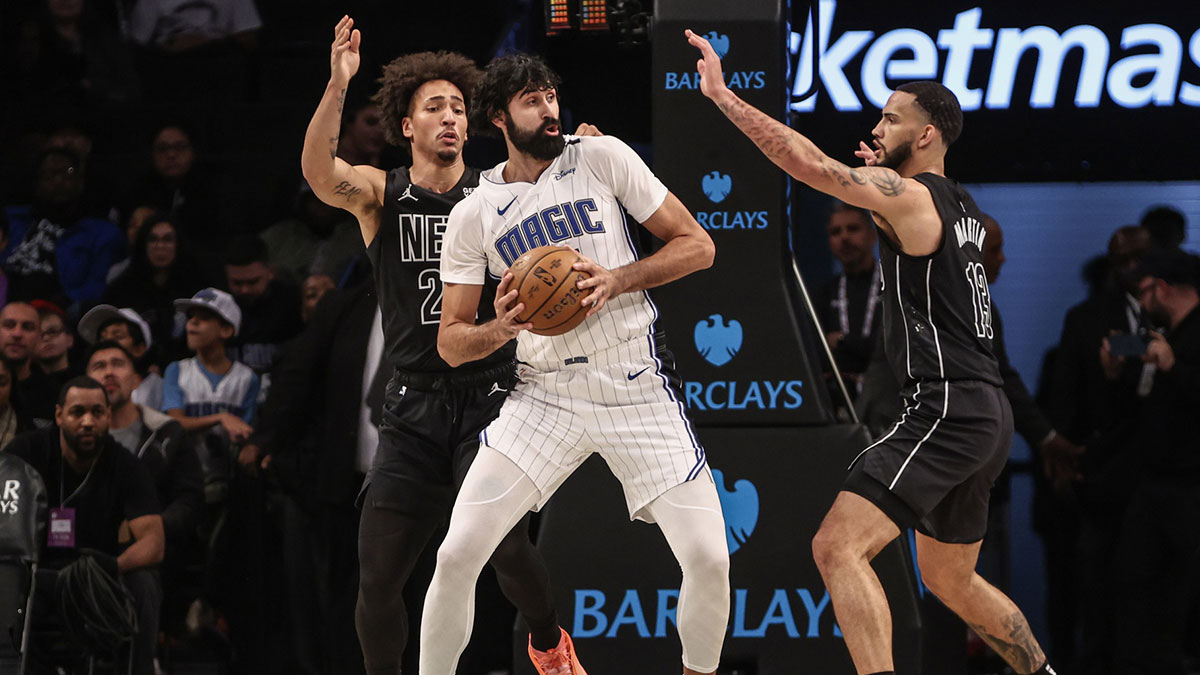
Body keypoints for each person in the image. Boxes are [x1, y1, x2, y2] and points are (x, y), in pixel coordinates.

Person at [686, 31, 1054, 675]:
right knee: (950, 580)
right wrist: (877, 179)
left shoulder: (913, 198)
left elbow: (809, 166)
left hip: (945, 407)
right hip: (985, 412)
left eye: (891, 118)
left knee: (836, 546)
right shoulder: (958, 203)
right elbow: (883, 204)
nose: (877, 126)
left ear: (930, 135)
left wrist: (722, 96)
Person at [300, 20, 590, 675]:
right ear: (406, 125)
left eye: (459, 107)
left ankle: (549, 642)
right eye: (434, 107)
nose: (451, 117)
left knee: (507, 547)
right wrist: (337, 82)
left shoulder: (498, 193)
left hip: (489, 395)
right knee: (377, 576)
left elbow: (570, 172)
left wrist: (585, 149)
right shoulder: (383, 195)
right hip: (411, 406)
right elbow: (320, 173)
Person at [426, 51, 728, 675]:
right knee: (456, 556)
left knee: (710, 559)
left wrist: (617, 279)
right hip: (543, 393)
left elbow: (698, 246)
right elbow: (451, 341)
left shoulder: (602, 157)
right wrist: (500, 327)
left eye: (551, 95)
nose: (550, 108)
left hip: (634, 382)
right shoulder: (474, 213)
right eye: (531, 100)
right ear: (499, 118)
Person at [3, 375, 165, 675]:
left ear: (108, 416)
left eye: (97, 413)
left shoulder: (125, 464)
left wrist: (114, 565)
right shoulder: (25, 453)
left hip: (94, 575)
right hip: (33, 574)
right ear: (59, 414)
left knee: (144, 581)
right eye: (78, 412)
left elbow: (154, 543)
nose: (88, 421)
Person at [1104, 248, 1200, 674]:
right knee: (1137, 584)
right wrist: (1119, 370)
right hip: (1154, 480)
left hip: (1190, 485)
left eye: (1144, 292)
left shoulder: (1191, 336)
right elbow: (1146, 404)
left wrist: (1173, 366)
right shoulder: (1167, 334)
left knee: (1181, 591)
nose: (1142, 305)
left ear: (1162, 288)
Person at [161, 287, 258, 441]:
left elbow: (247, 431)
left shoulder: (247, 378)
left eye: (204, 317)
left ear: (225, 330)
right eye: (191, 316)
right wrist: (220, 418)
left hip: (228, 463)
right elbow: (175, 424)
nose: (193, 322)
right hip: (186, 462)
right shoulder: (176, 370)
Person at [814, 201, 881, 400]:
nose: (844, 237)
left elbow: (891, 351)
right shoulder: (822, 294)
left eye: (853, 229)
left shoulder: (895, 286)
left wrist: (843, 342)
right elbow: (817, 354)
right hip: (839, 398)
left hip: (888, 398)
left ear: (872, 235)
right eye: (836, 232)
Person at [77, 304, 165, 410]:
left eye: (117, 336)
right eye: (102, 338)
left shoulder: (158, 387)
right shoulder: (84, 390)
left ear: (139, 349)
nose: (108, 343)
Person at [1, 300, 57, 424]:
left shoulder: (53, 396)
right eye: (9, 325)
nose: (17, 334)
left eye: (27, 327)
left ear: (40, 338)